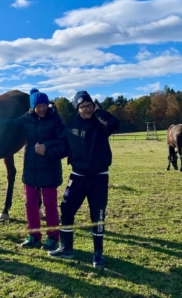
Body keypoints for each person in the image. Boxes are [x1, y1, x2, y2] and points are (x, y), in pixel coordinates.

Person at [0, 88, 69, 251]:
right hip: (31, 168)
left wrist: (46, 147)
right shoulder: (27, 118)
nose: (42, 108)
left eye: (44, 105)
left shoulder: (56, 120)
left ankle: (53, 237)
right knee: (30, 204)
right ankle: (34, 236)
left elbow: (64, 144)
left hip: (49, 168)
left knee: (50, 205)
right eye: (38, 106)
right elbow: (11, 123)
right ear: (33, 107)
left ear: (48, 105)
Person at [48, 90, 119, 268]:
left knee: (98, 214)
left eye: (89, 105)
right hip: (77, 176)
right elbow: (63, 148)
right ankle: (66, 248)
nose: (86, 109)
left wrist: (98, 111)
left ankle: (98, 255)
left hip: (99, 177)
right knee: (66, 209)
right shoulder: (70, 126)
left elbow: (114, 123)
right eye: (82, 107)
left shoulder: (101, 123)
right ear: (77, 109)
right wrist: (46, 150)